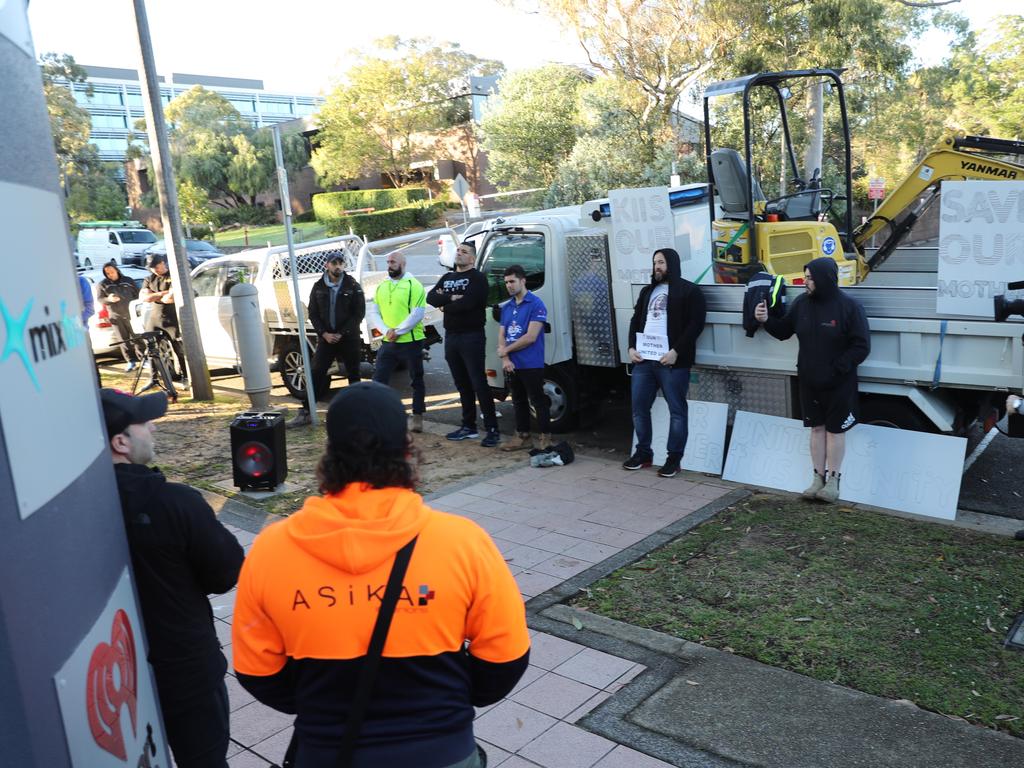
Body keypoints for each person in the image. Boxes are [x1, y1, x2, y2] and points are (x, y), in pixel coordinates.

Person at [232, 382, 530, 768]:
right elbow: (506, 658)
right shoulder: (462, 542)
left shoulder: (272, 550)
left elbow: (257, 671)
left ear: (329, 454)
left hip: (328, 751)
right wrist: (446, 699)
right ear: (408, 452)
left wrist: (321, 704)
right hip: (441, 750)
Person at [99, 388, 244, 767]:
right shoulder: (174, 503)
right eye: (144, 424)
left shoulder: (79, 507)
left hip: (112, 678)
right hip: (184, 668)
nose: (153, 430)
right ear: (120, 442)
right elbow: (225, 572)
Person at [754, 257, 870, 503]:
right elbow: (784, 331)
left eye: (809, 278)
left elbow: (861, 346)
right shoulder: (801, 304)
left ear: (824, 279)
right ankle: (817, 478)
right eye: (805, 277)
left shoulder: (849, 307)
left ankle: (834, 482)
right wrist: (766, 322)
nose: (805, 282)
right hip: (808, 380)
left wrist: (838, 368)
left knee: (835, 430)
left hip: (839, 382)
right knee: (816, 428)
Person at [623, 248, 707, 478]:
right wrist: (631, 347)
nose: (656, 267)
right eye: (654, 263)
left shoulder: (690, 291)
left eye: (661, 262)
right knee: (639, 408)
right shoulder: (647, 291)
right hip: (644, 360)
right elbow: (635, 320)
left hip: (672, 362)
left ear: (671, 263)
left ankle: (673, 459)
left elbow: (696, 325)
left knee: (677, 411)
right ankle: (643, 453)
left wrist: (676, 351)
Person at [427, 241, 500, 447]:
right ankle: (469, 426)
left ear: (472, 258)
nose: (459, 253)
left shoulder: (478, 278)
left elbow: (469, 303)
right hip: (451, 336)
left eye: (464, 252)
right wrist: (451, 297)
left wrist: (446, 305)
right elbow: (431, 297)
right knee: (462, 384)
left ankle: (492, 429)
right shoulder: (447, 277)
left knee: (479, 383)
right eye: (458, 250)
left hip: (472, 335)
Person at [288, 254, 365, 428]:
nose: (338, 266)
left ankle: (358, 412)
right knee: (316, 373)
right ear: (327, 265)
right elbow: (313, 313)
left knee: (354, 375)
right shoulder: (318, 286)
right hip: (326, 339)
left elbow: (358, 313)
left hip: (348, 338)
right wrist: (324, 334)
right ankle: (306, 412)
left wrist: (341, 333)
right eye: (334, 263)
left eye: (340, 263)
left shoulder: (352, 285)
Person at [369, 251, 428, 433]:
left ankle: (417, 416)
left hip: (411, 341)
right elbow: (374, 311)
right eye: (387, 262)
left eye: (393, 261)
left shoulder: (414, 285)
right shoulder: (382, 286)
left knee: (416, 379)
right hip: (389, 341)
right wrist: (387, 331)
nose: (389, 264)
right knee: (379, 379)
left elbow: (417, 313)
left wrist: (398, 331)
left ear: (403, 263)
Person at [497, 264, 550, 452]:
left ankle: (545, 439)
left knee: (538, 400)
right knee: (518, 400)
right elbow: (502, 335)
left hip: (531, 363)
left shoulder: (536, 304)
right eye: (506, 283)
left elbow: (530, 337)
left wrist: (506, 351)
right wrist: (505, 358)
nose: (509, 286)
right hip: (512, 364)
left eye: (512, 281)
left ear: (523, 281)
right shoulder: (507, 307)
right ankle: (523, 436)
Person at [141, 252, 189, 386]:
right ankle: (154, 378)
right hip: (154, 318)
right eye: (151, 267)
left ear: (162, 263)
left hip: (171, 318)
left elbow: (170, 298)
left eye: (155, 266)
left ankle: (186, 375)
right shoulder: (149, 279)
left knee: (179, 349)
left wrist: (156, 295)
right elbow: (145, 297)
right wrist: (163, 293)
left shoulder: (172, 276)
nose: (154, 270)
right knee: (151, 348)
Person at [98, 261, 141, 371]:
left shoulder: (128, 280)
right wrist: (109, 299)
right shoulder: (103, 284)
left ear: (116, 270)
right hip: (116, 316)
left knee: (138, 337)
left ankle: (143, 359)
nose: (110, 274)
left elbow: (138, 294)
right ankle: (131, 361)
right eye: (107, 273)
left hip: (131, 314)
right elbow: (100, 299)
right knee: (123, 340)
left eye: (111, 271)